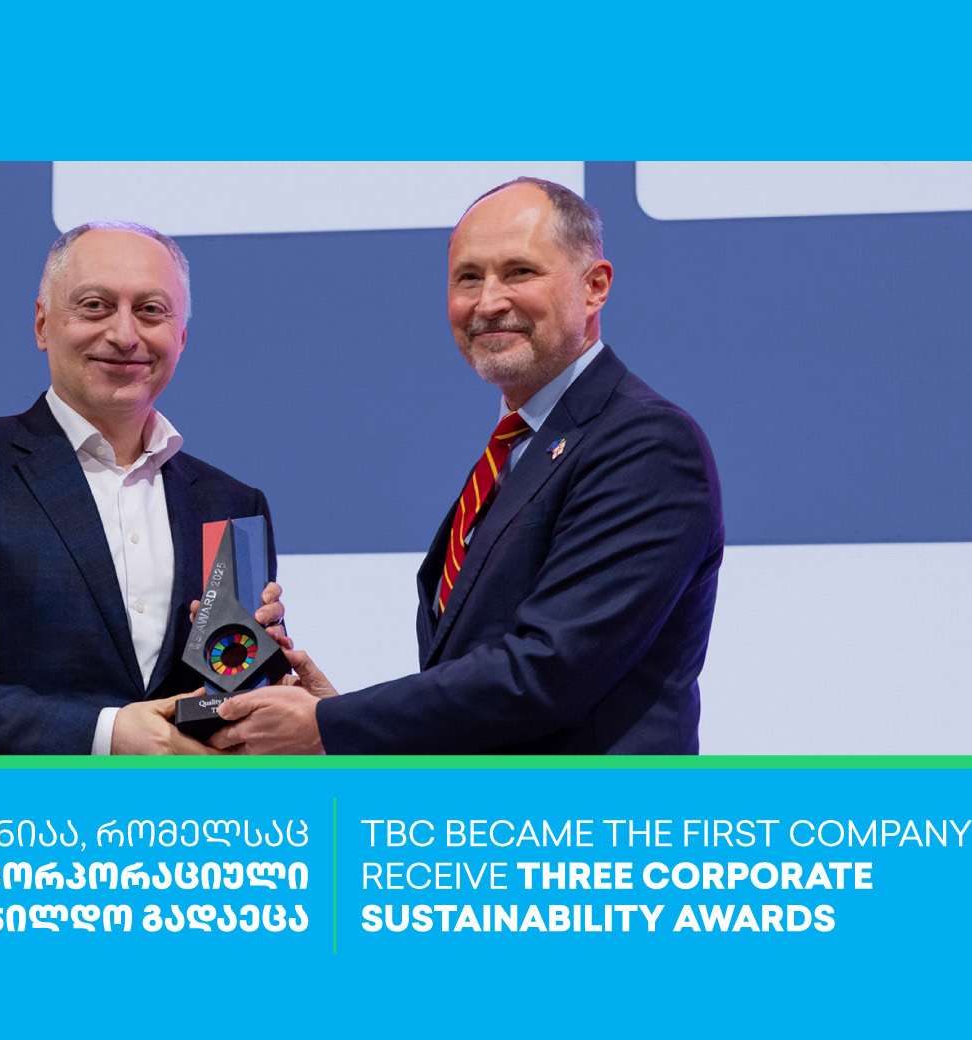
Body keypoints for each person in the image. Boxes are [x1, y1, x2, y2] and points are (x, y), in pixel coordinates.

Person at [213, 178, 723, 755]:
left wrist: (331, 725)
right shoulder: (522, 446)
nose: (488, 302)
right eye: (468, 278)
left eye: (520, 272)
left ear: (595, 286)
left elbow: (548, 671)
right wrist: (338, 717)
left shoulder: (646, 442)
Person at [0, 222, 284, 756]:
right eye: (95, 306)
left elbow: (231, 696)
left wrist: (264, 680)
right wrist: (108, 735)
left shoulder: (231, 504)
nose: (125, 335)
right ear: (43, 323)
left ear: (181, 337)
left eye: (151, 310)